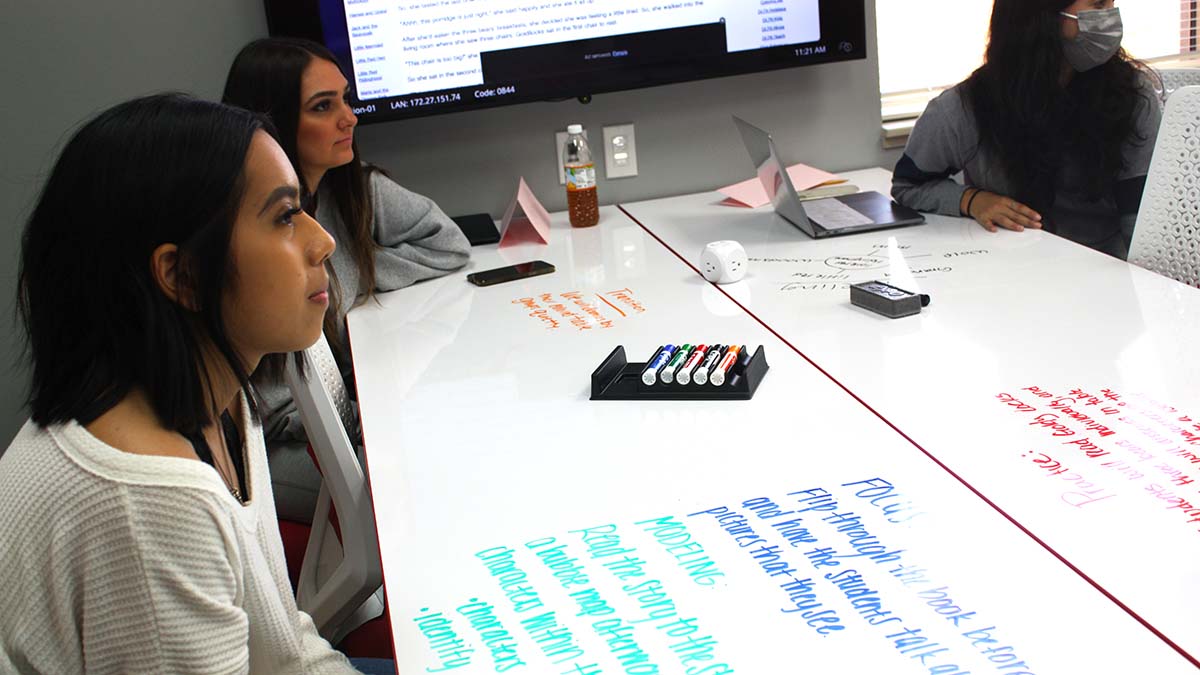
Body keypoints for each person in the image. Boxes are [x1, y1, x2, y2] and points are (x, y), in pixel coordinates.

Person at [0, 94, 389, 674]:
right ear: (183, 274)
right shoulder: (150, 501)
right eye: (285, 216)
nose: (322, 241)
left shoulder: (222, 396)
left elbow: (282, 646)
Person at [223, 38, 472, 522]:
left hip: (345, 421)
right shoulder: (248, 232)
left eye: (346, 99)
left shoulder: (347, 188)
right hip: (274, 449)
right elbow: (273, 411)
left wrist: (356, 277)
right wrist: (375, 425)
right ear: (271, 123)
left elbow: (449, 243)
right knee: (432, 474)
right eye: (323, 106)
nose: (349, 118)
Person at [891, 0, 1162, 259]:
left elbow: (1141, 219)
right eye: (1098, 4)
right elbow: (908, 185)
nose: (1111, 16)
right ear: (1044, 14)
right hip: (1009, 274)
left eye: (1112, 3)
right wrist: (971, 200)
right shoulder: (965, 108)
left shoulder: (1133, 97)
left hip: (1104, 271)